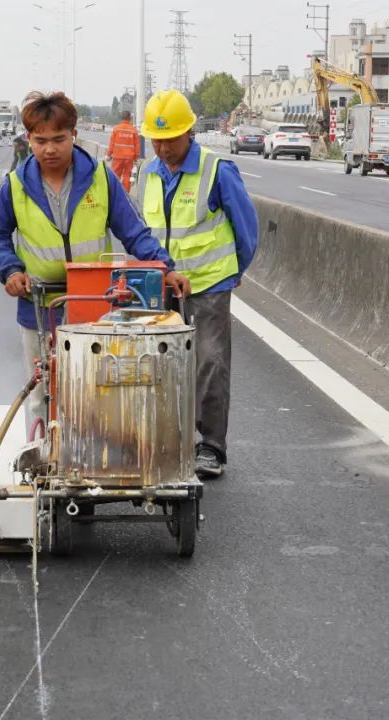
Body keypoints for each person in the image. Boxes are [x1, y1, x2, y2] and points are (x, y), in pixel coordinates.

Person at [0, 91, 191, 426]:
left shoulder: (101, 178)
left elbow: (134, 231)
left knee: (94, 387)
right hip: (38, 304)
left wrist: (164, 269)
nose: (50, 149)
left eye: (59, 139)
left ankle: (91, 461)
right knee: (41, 390)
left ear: (73, 136)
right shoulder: (15, 186)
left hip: (95, 304)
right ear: (29, 140)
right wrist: (11, 271)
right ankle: (42, 461)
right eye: (41, 141)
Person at [136, 89, 259, 479]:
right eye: (156, 139)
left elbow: (246, 228)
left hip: (208, 286)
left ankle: (211, 446)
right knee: (158, 363)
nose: (162, 147)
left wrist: (233, 272)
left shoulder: (216, 170)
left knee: (210, 362)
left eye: (169, 138)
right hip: (161, 286)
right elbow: (142, 229)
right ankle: (168, 437)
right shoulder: (147, 174)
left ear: (189, 132)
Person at [106, 110, 141, 192]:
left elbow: (112, 143)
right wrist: (136, 157)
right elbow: (137, 145)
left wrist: (109, 154)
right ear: (130, 118)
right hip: (129, 158)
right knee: (127, 177)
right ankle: (125, 195)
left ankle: (114, 193)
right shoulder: (133, 130)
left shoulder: (116, 129)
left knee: (114, 175)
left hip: (117, 156)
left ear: (121, 118)